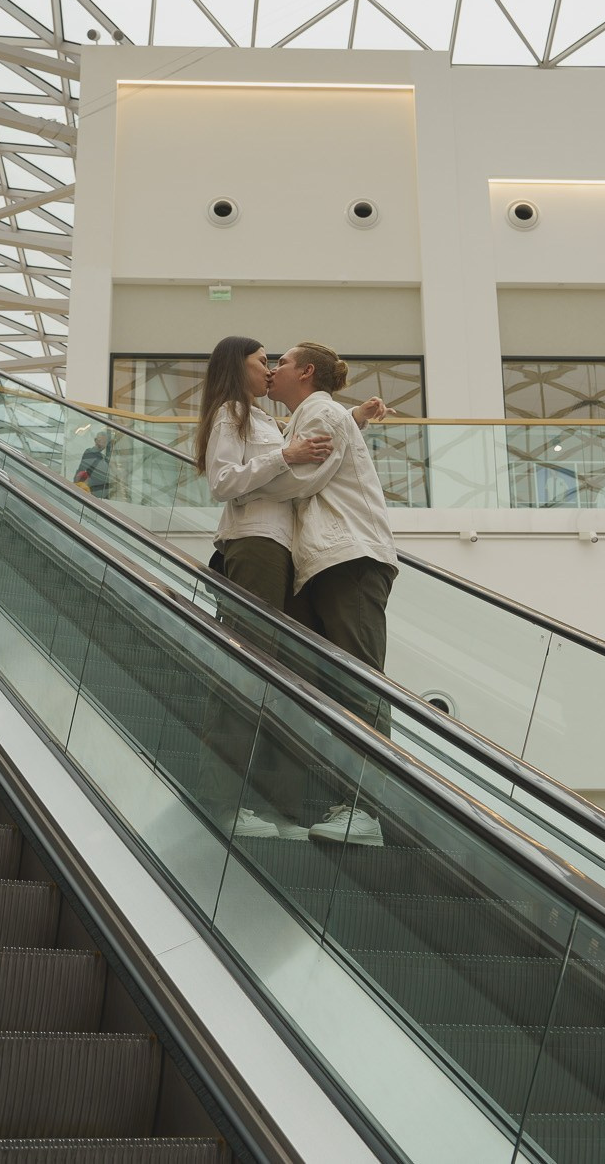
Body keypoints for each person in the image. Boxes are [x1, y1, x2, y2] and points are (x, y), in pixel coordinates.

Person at [193, 334, 380, 840]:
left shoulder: (265, 418)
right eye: (261, 361)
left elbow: (310, 451)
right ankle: (222, 798)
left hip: (283, 552)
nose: (270, 369)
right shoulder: (232, 411)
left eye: (277, 362)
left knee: (285, 669)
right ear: (239, 367)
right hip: (254, 543)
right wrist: (288, 455)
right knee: (248, 662)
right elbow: (226, 480)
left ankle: (279, 802)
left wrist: (351, 422)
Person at [254, 341, 399, 847]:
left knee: (359, 679)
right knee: (337, 680)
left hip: (349, 557)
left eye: (282, 363)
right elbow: (331, 443)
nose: (273, 371)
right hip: (330, 560)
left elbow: (299, 478)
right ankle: (343, 804)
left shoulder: (319, 411)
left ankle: (367, 810)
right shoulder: (317, 414)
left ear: (306, 372)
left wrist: (243, 479)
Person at [74, 430, 113, 497]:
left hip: (101, 490)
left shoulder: (104, 458)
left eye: (105, 442)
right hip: (92, 490)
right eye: (101, 441)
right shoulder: (90, 452)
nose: (103, 444)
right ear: (96, 440)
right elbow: (82, 469)